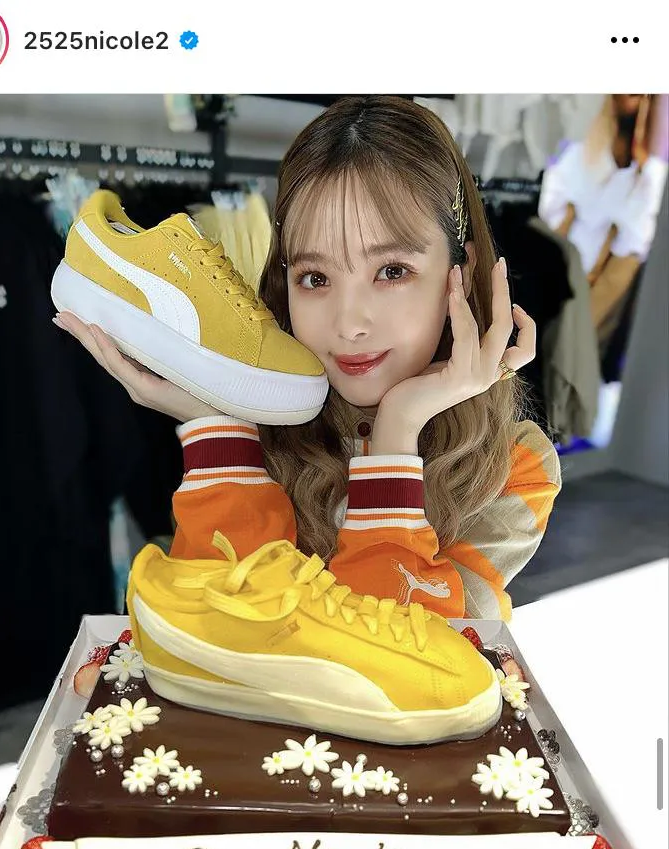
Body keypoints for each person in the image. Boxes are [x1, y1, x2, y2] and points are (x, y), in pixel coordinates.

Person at [55, 96, 559, 620]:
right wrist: (217, 427)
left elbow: (400, 651)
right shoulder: (258, 420)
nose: (349, 324)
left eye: (391, 271)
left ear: (462, 270)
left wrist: (397, 430)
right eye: (315, 278)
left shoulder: (515, 466)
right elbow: (214, 624)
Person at [539, 94, 668, 348]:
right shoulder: (577, 153)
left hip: (596, 286)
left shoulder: (651, 180)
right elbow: (549, 215)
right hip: (556, 273)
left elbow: (632, 249)